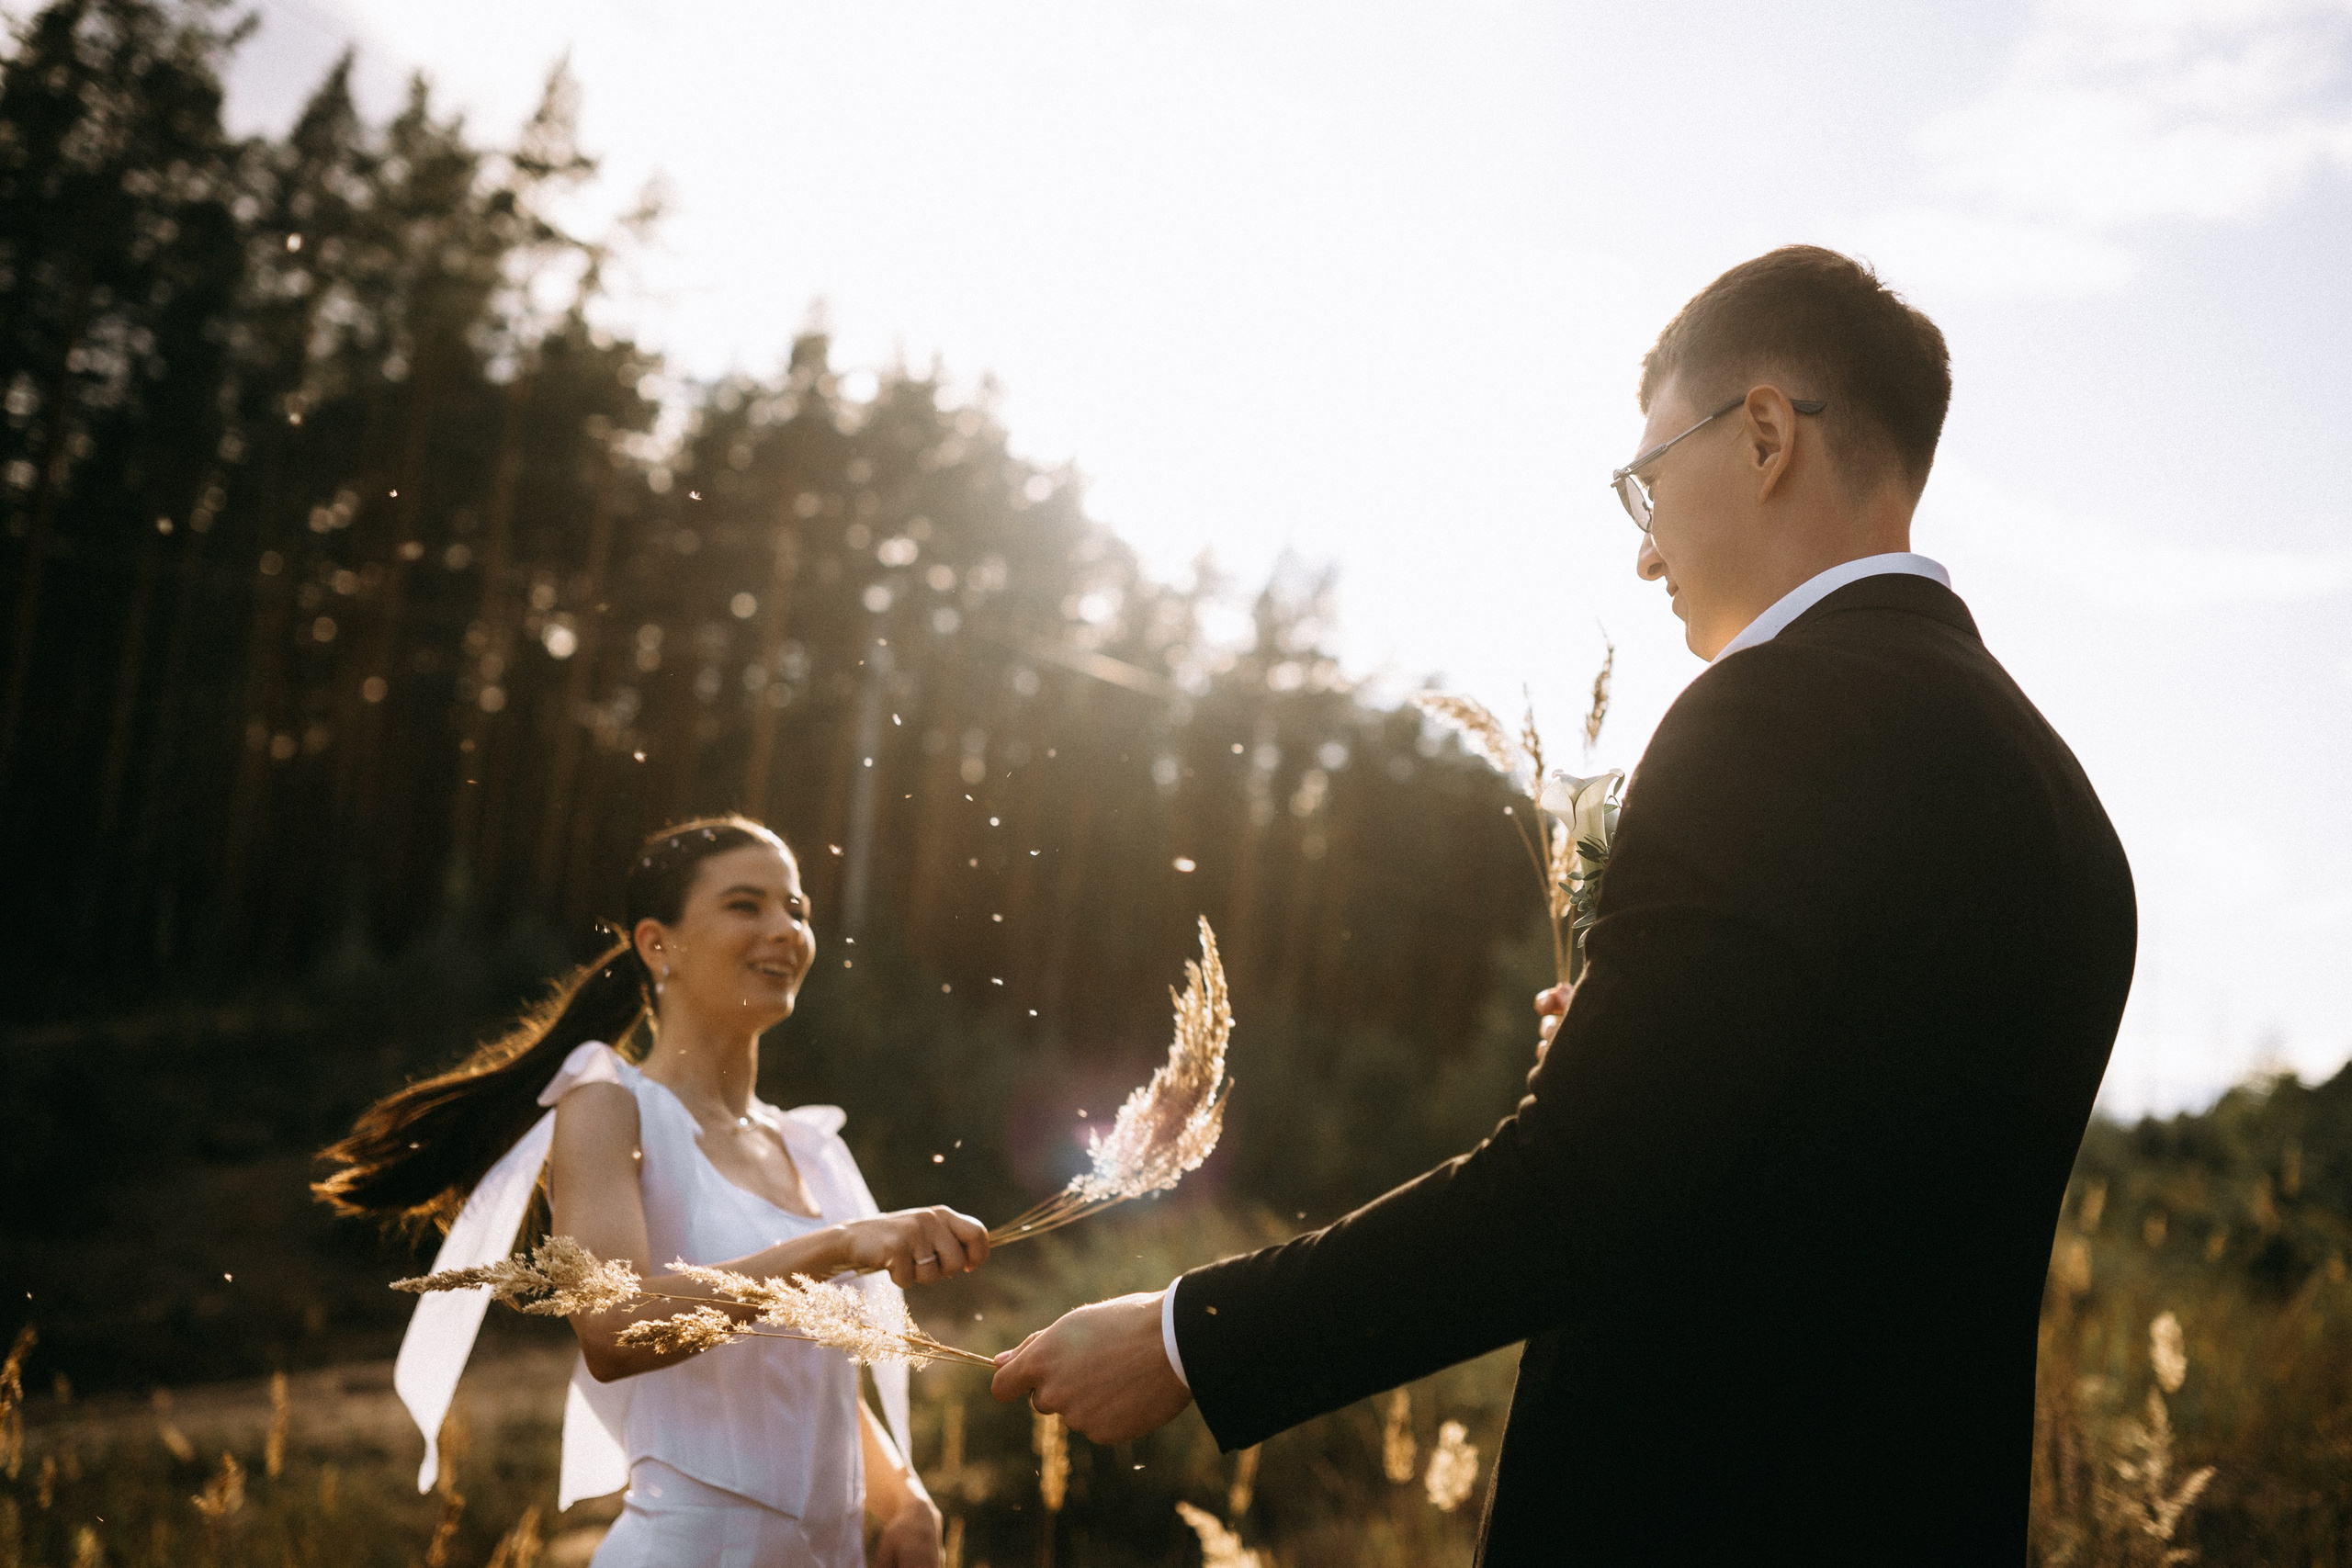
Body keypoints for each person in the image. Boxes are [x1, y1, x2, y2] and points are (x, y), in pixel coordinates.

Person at [989, 246, 2137, 1564]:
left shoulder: (1763, 720)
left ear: (1765, 433)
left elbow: (1578, 1193)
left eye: (1647, 481)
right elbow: (1836, 1154)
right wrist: (1638, 1046)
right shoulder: (2061, 803)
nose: (1645, 556)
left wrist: (1187, 1337)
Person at [317, 815, 989, 1568]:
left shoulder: (811, 1146)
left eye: (796, 908)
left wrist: (906, 1499)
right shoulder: (609, 1106)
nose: (786, 930)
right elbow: (613, 1327)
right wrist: (838, 1245)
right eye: (746, 904)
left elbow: (802, 1377)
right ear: (657, 943)